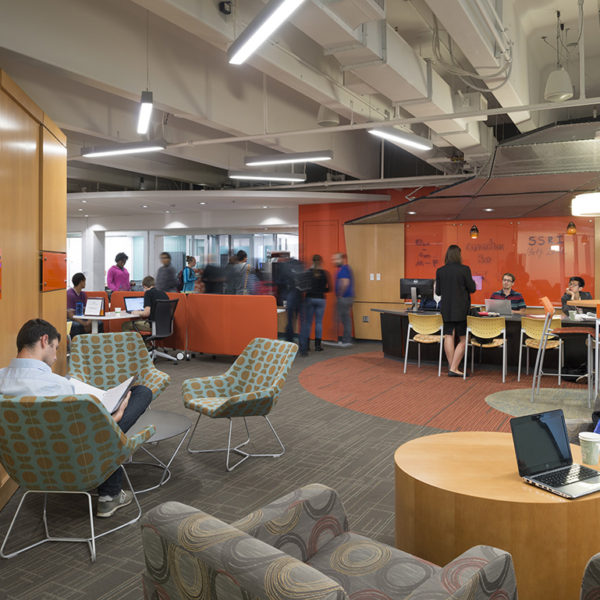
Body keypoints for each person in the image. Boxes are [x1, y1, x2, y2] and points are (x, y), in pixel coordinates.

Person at [0, 319, 153, 518]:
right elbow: (83, 434)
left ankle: (111, 493)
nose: (55, 357)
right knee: (140, 392)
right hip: (73, 460)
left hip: (25, 466)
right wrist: (116, 417)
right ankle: (110, 494)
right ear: (44, 340)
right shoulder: (58, 386)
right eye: (55, 348)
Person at [435, 244, 476, 377]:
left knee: (449, 335)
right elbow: (472, 288)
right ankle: (454, 368)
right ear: (459, 255)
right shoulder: (464, 269)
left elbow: (438, 291)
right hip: (461, 308)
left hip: (446, 308)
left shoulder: (440, 271)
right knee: (464, 339)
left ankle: (452, 367)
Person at [299, 255, 330, 356]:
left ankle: (307, 346)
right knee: (318, 323)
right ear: (321, 262)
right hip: (321, 299)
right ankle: (317, 346)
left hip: (309, 299)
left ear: (312, 261)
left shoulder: (307, 273)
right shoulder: (325, 273)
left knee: (308, 323)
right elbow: (329, 289)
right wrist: (321, 290)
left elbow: (302, 287)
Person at [332, 252, 354, 347]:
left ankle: (342, 339)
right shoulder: (346, 269)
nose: (334, 261)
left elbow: (345, 282)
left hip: (344, 298)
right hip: (348, 297)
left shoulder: (344, 269)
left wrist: (340, 295)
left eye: (336, 259)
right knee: (346, 319)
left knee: (340, 318)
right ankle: (346, 339)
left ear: (342, 259)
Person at [66, 272, 92, 336]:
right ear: (81, 281)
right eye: (84, 281)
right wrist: (84, 323)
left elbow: (87, 310)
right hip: (71, 319)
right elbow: (70, 315)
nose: (85, 283)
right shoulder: (69, 294)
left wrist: (89, 321)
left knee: (99, 323)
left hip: (81, 317)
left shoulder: (83, 294)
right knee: (77, 326)